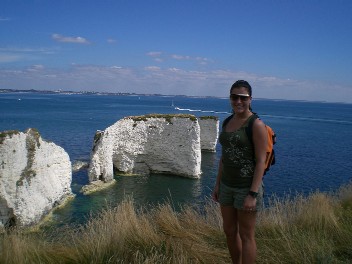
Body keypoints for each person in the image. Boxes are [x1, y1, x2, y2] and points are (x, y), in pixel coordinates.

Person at [212, 80, 267, 264]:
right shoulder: (227, 121)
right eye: (234, 97)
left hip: (246, 188)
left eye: (243, 98)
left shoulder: (256, 124)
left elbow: (261, 161)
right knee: (228, 231)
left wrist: (252, 194)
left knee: (246, 235)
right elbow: (224, 157)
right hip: (227, 185)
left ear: (250, 99)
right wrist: (218, 184)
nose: (238, 101)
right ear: (230, 98)